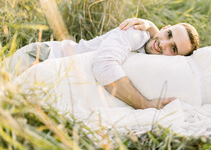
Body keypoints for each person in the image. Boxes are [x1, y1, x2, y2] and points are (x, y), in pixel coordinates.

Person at [1, 18, 200, 109]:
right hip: (42, 57)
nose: (162, 43)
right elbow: (103, 65)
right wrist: (144, 104)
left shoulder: (151, 44)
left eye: (172, 49)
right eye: (168, 34)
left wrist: (152, 28)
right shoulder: (134, 32)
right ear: (165, 28)